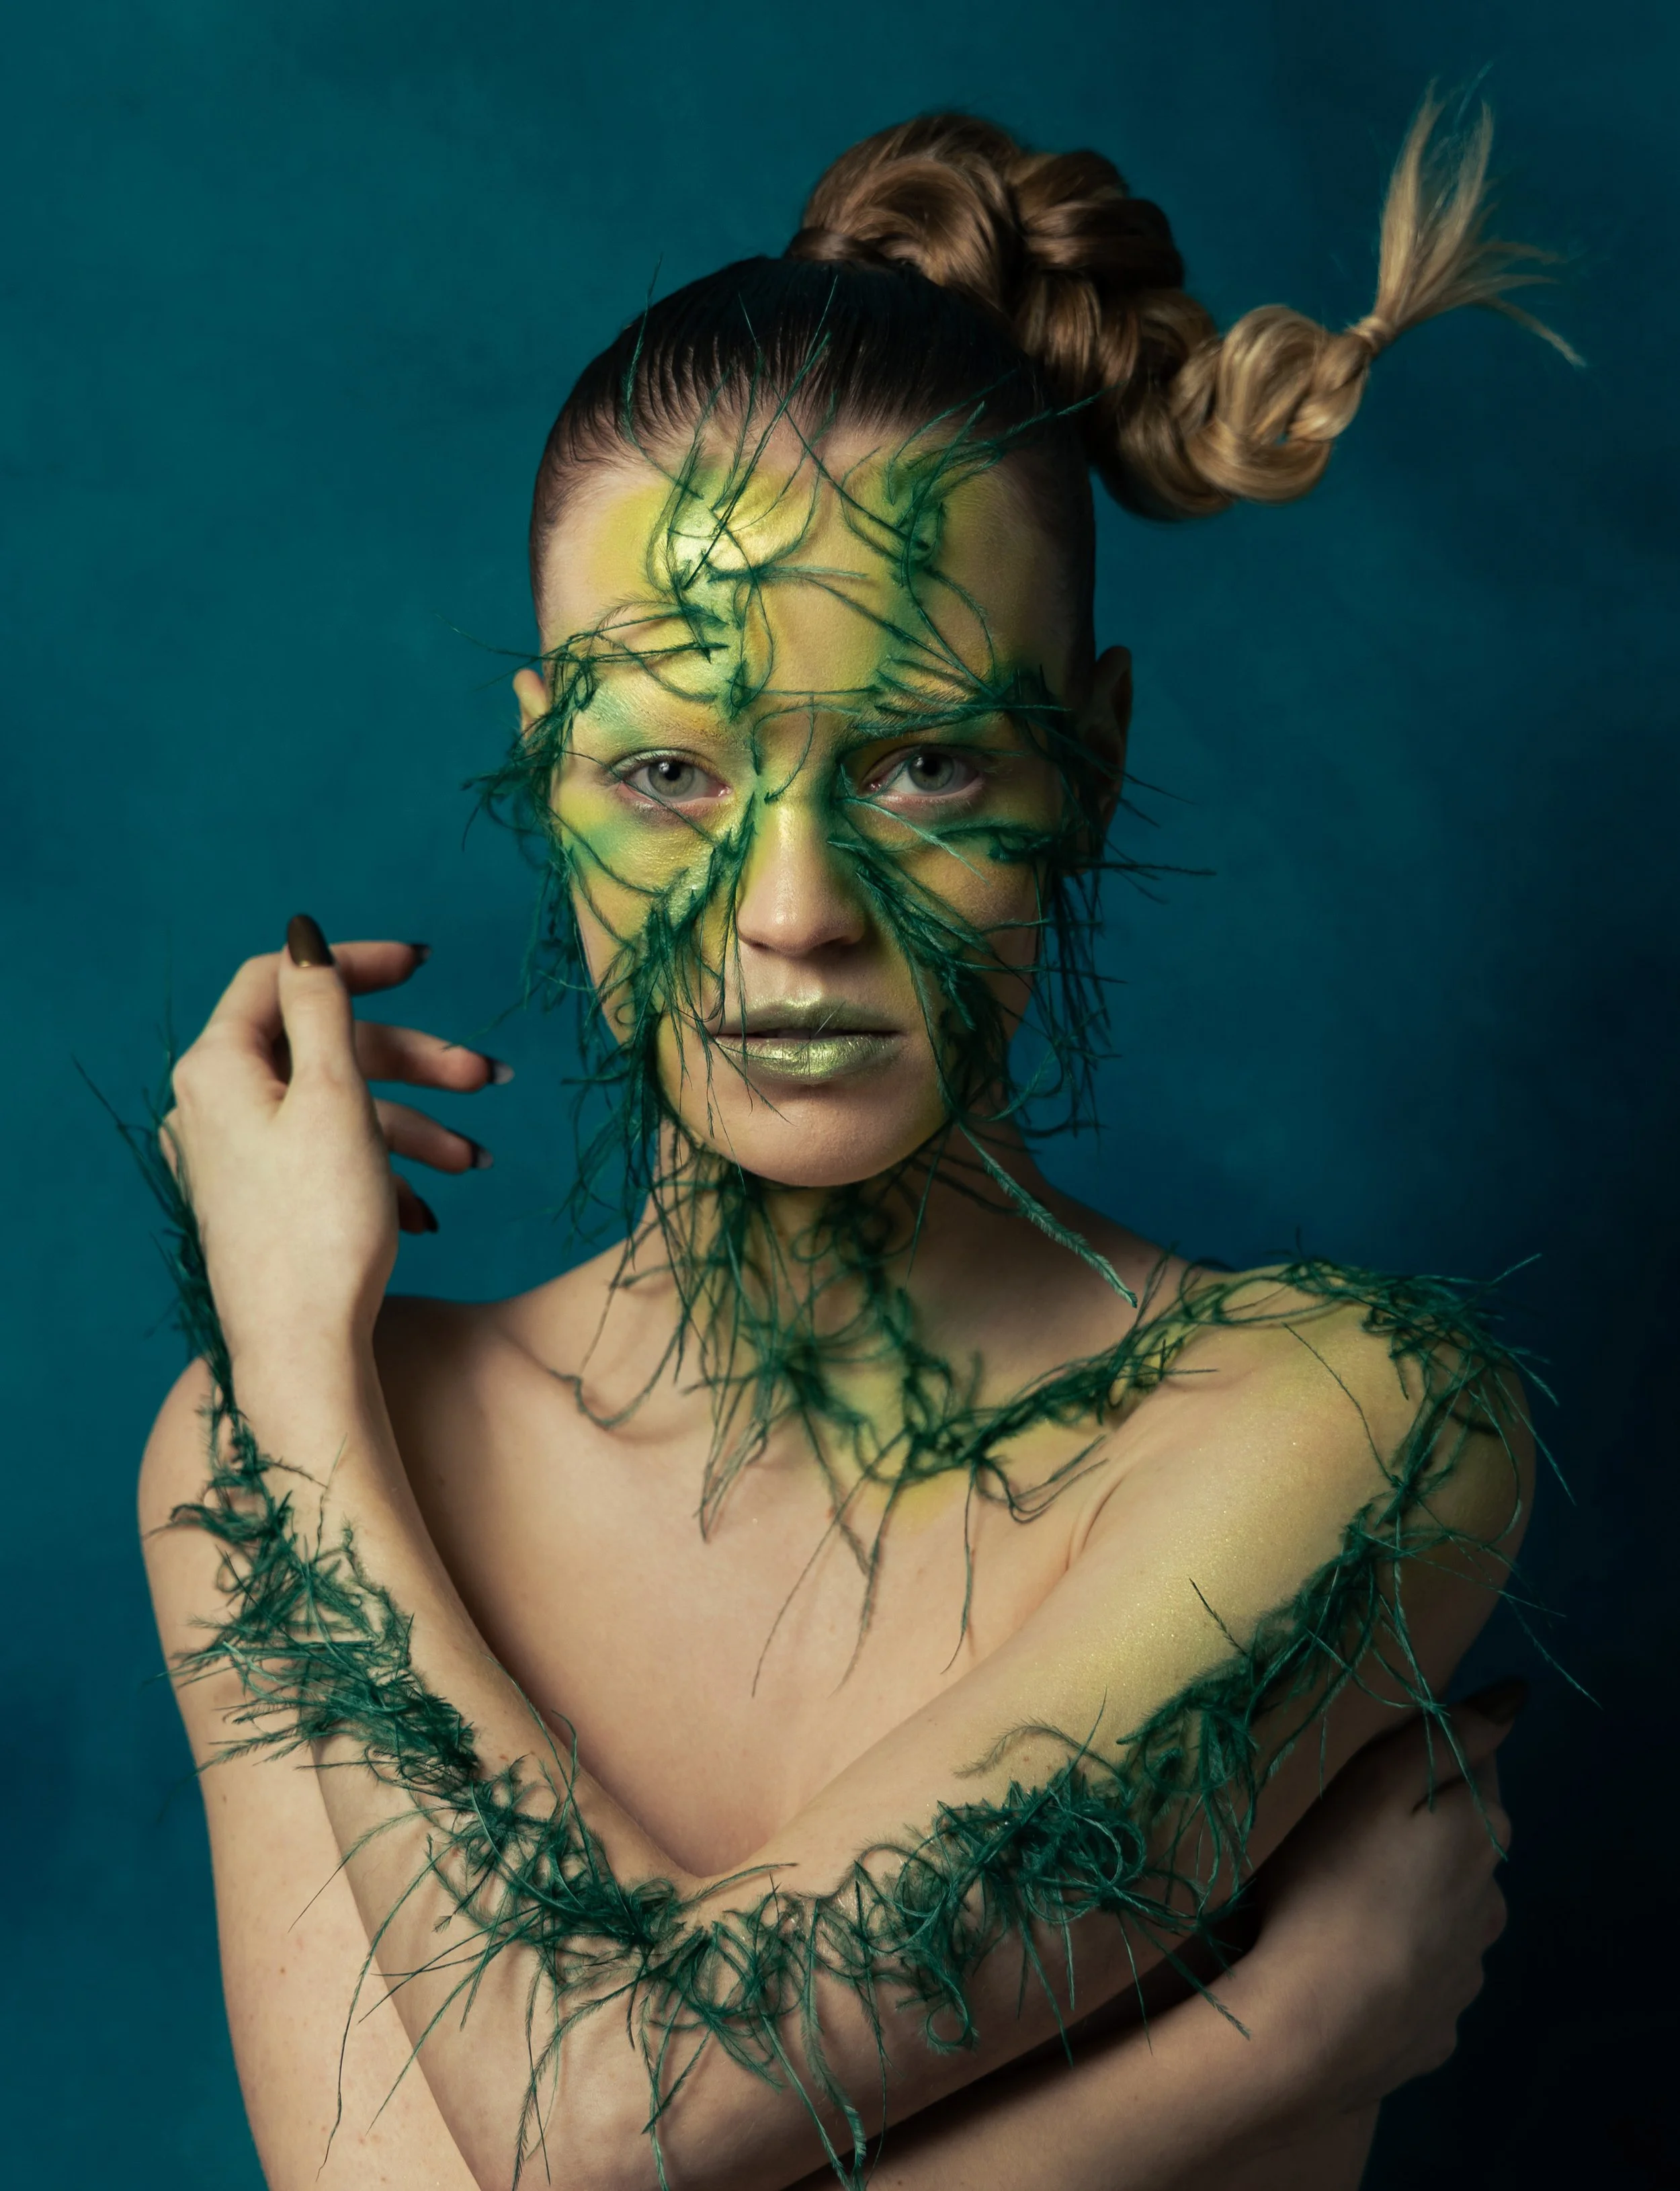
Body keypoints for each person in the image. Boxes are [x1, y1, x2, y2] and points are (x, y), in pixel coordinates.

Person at [139, 102, 1552, 2191]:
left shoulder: (1346, 1421)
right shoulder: (287, 1444)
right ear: (546, 770)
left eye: (915, 759)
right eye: (669, 767)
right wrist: (1245, 2059)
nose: (788, 909)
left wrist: (293, 1390)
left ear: (1091, 752)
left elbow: (602, 2114)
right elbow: (571, 2140)